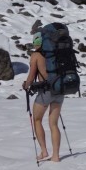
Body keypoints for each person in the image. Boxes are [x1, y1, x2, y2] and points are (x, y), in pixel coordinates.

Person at [22, 31, 64, 162]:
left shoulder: (36, 55)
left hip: (46, 91)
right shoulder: (56, 52)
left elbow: (31, 77)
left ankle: (44, 151)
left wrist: (26, 85)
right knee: (54, 124)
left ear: (36, 42)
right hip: (59, 90)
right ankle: (56, 156)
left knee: (37, 120)